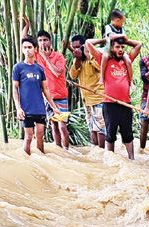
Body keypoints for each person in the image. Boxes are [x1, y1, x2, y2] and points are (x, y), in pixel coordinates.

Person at [86, 35, 143, 159]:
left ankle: (132, 159)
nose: (121, 49)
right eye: (117, 47)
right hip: (109, 104)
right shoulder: (103, 59)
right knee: (110, 135)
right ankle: (110, 159)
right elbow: (88, 43)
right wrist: (104, 40)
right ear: (111, 48)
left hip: (125, 104)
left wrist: (125, 39)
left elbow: (138, 44)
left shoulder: (127, 60)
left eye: (122, 47)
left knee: (128, 135)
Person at [21, 18, 69, 149]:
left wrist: (46, 57)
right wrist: (27, 25)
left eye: (45, 40)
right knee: (54, 125)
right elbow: (24, 39)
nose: (43, 42)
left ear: (50, 41)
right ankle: (59, 149)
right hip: (47, 97)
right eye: (40, 40)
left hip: (60, 96)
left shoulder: (58, 56)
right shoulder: (36, 55)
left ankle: (66, 150)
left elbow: (57, 72)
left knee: (62, 125)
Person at [12, 37, 61, 155]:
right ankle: (27, 162)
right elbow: (15, 88)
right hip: (26, 109)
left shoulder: (39, 69)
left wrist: (54, 107)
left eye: (30, 47)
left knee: (40, 136)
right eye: (25, 48)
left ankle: (41, 161)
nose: (27, 50)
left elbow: (45, 89)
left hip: (39, 108)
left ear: (35, 49)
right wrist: (18, 108)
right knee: (28, 137)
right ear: (22, 50)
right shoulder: (18, 68)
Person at [67, 34, 105, 149]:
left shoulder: (93, 56)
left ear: (84, 46)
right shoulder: (77, 60)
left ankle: (103, 152)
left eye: (78, 47)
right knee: (92, 128)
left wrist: (88, 55)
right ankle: (96, 152)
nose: (76, 49)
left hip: (99, 98)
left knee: (101, 129)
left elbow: (101, 67)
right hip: (86, 100)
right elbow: (72, 76)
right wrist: (78, 59)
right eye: (74, 47)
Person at [97, 10, 133, 87]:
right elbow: (111, 36)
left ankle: (131, 81)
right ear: (117, 20)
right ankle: (102, 77)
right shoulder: (108, 27)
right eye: (122, 22)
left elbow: (125, 38)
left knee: (128, 61)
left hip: (119, 50)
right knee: (104, 57)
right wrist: (122, 36)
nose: (122, 24)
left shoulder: (121, 29)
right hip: (109, 50)